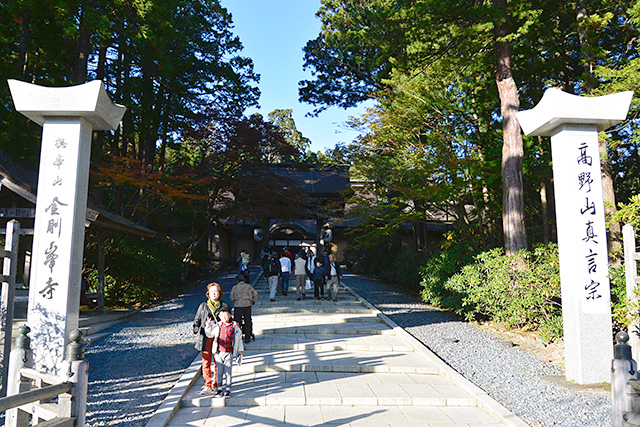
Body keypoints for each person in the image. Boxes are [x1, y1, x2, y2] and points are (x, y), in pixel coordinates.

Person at [192, 282, 227, 394]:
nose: (214, 294)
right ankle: (207, 384)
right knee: (206, 362)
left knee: (218, 362)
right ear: (208, 293)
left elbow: (229, 322)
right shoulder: (203, 306)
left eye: (216, 291)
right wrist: (196, 327)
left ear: (220, 293)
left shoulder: (224, 306)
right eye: (211, 291)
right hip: (206, 338)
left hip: (219, 338)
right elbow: (197, 319)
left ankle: (216, 384)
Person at [204, 305, 244, 397]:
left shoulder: (234, 326)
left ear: (230, 315)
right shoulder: (217, 326)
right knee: (219, 371)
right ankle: (219, 387)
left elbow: (239, 339)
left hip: (229, 352)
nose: (223, 317)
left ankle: (228, 388)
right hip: (218, 352)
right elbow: (210, 335)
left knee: (228, 371)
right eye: (221, 315)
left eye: (226, 315)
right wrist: (208, 327)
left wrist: (240, 350)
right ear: (219, 316)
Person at [230, 275, 258, 343]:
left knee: (237, 321)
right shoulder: (248, 286)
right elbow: (255, 293)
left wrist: (235, 301)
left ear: (237, 281)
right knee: (247, 320)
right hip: (247, 305)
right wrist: (252, 300)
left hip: (238, 306)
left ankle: (238, 336)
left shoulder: (235, 287)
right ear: (244, 280)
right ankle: (247, 336)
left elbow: (231, 297)